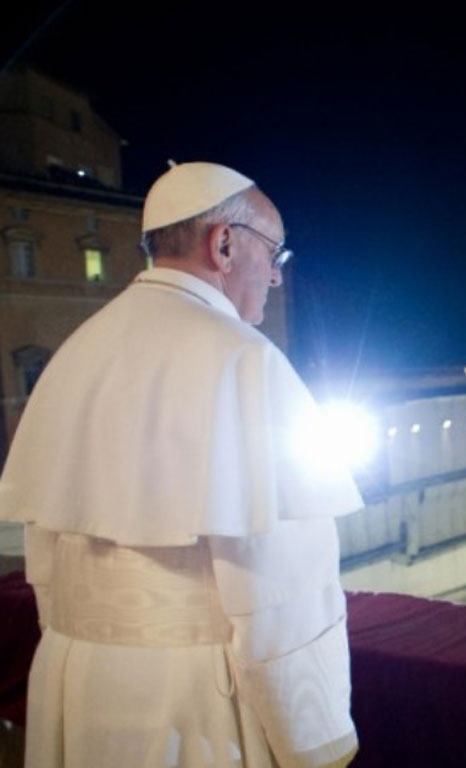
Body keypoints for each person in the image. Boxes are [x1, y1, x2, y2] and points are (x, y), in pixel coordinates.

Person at [0, 162, 364, 767]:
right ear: (223, 243)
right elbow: (282, 590)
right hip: (195, 705)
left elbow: (45, 563)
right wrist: (314, 735)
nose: (276, 275)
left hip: (76, 682)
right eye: (273, 252)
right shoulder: (247, 360)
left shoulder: (75, 348)